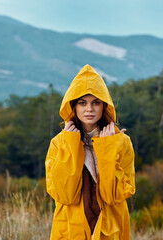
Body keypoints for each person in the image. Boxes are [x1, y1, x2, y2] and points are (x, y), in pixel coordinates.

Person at [45, 64, 136, 240]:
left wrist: (107, 147)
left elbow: (113, 196)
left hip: (110, 229)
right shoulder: (59, 143)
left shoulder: (122, 142)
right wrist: (71, 144)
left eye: (96, 102)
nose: (89, 109)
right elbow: (65, 195)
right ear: (73, 106)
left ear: (104, 106)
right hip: (71, 229)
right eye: (82, 103)